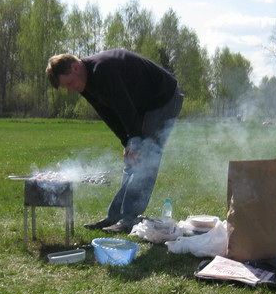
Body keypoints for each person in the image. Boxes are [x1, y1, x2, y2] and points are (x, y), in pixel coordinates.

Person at [46, 49, 184, 234]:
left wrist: (135, 141)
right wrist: (126, 141)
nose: (70, 89)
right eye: (66, 87)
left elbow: (124, 106)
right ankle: (115, 216)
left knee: (146, 158)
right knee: (132, 160)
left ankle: (129, 218)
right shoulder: (85, 82)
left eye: (69, 83)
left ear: (75, 67)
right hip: (141, 105)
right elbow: (108, 114)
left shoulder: (103, 70)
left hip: (163, 98)